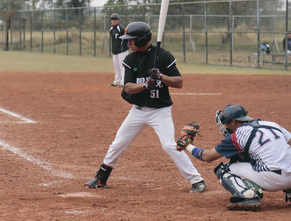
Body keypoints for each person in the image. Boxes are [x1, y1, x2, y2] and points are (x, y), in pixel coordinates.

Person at [85, 21, 206, 193]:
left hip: (160, 111)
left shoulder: (163, 56)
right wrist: (145, 85)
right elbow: (127, 87)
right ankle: (101, 177)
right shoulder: (130, 58)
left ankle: (197, 180)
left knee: (168, 145)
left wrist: (161, 76)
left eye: (131, 40)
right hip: (138, 111)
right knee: (119, 142)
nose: (128, 44)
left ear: (141, 40)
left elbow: (179, 82)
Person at [178, 104, 291, 210]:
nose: (225, 127)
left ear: (234, 122)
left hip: (273, 179)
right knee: (274, 155)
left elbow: (207, 156)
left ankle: (248, 196)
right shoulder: (272, 124)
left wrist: (188, 145)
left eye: (227, 123)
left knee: (224, 169)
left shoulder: (239, 134)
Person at [109, 13, 129, 87]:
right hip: (115, 51)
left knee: (122, 67)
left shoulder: (121, 29)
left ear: (118, 20)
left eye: (115, 19)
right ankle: (117, 81)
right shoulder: (111, 29)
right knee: (116, 67)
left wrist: (125, 47)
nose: (114, 21)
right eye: (112, 19)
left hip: (122, 51)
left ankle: (123, 82)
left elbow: (127, 38)